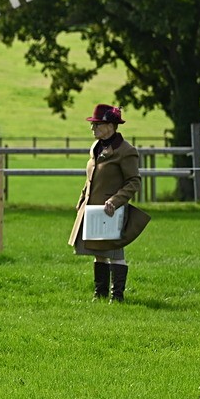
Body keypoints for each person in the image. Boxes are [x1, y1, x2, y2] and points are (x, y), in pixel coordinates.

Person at [67, 104, 150, 302]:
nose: (92, 128)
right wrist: (81, 201)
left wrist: (116, 200)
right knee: (99, 253)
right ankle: (100, 295)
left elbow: (134, 181)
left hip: (113, 212)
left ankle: (117, 297)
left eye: (97, 124)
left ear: (111, 126)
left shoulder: (126, 151)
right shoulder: (95, 147)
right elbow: (90, 179)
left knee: (115, 252)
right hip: (94, 210)